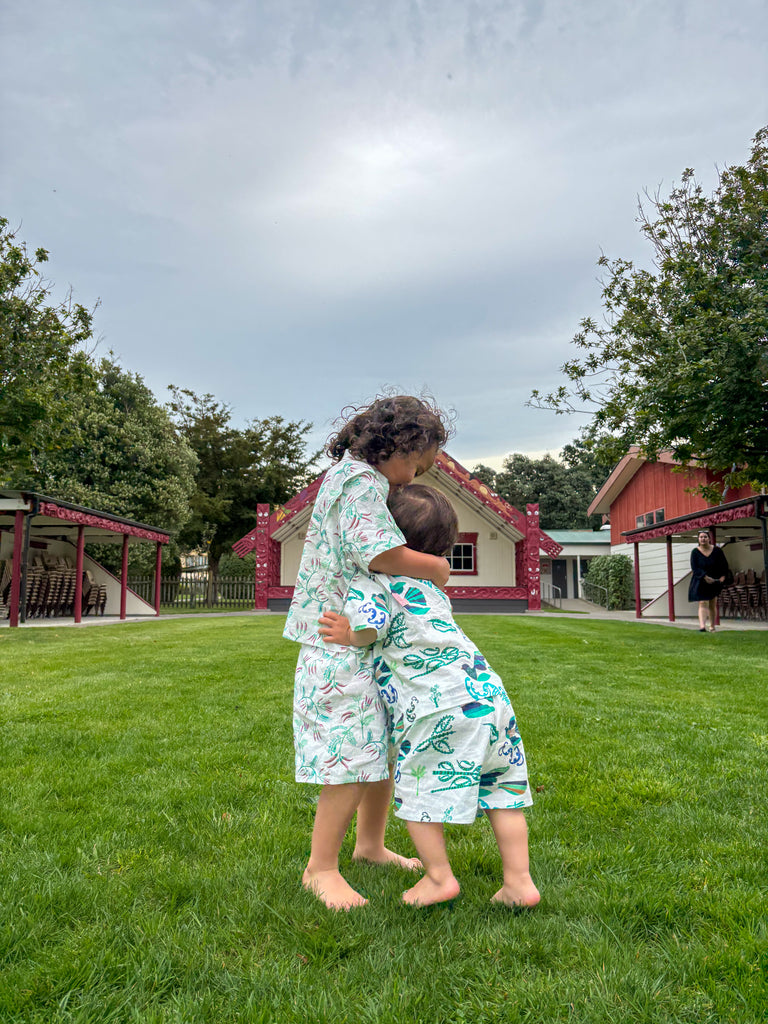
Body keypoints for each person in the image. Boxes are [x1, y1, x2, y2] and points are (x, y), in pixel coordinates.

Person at [319, 484, 540, 910]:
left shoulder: (374, 581)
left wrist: (349, 634)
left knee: (419, 792)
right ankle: (519, 882)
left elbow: (371, 626)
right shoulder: (432, 584)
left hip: (436, 705)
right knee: (502, 791)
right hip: (487, 695)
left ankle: (438, 877)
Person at [284, 395, 452, 910]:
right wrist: (437, 568)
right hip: (338, 640)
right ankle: (320, 868)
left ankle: (371, 845)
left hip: (358, 632)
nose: (412, 479)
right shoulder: (359, 482)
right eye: (417, 465)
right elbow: (377, 551)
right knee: (349, 756)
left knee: (377, 746)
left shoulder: (357, 478)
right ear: (399, 443)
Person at [688, 529, 729, 632]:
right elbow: (695, 568)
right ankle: (702, 626)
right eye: (701, 537)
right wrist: (705, 577)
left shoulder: (717, 551)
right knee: (702, 602)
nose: (703, 539)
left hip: (714, 580)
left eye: (705, 537)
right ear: (698, 539)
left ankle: (712, 626)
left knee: (712, 603)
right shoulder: (695, 552)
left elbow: (724, 565)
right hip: (700, 580)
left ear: (709, 539)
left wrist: (723, 576)